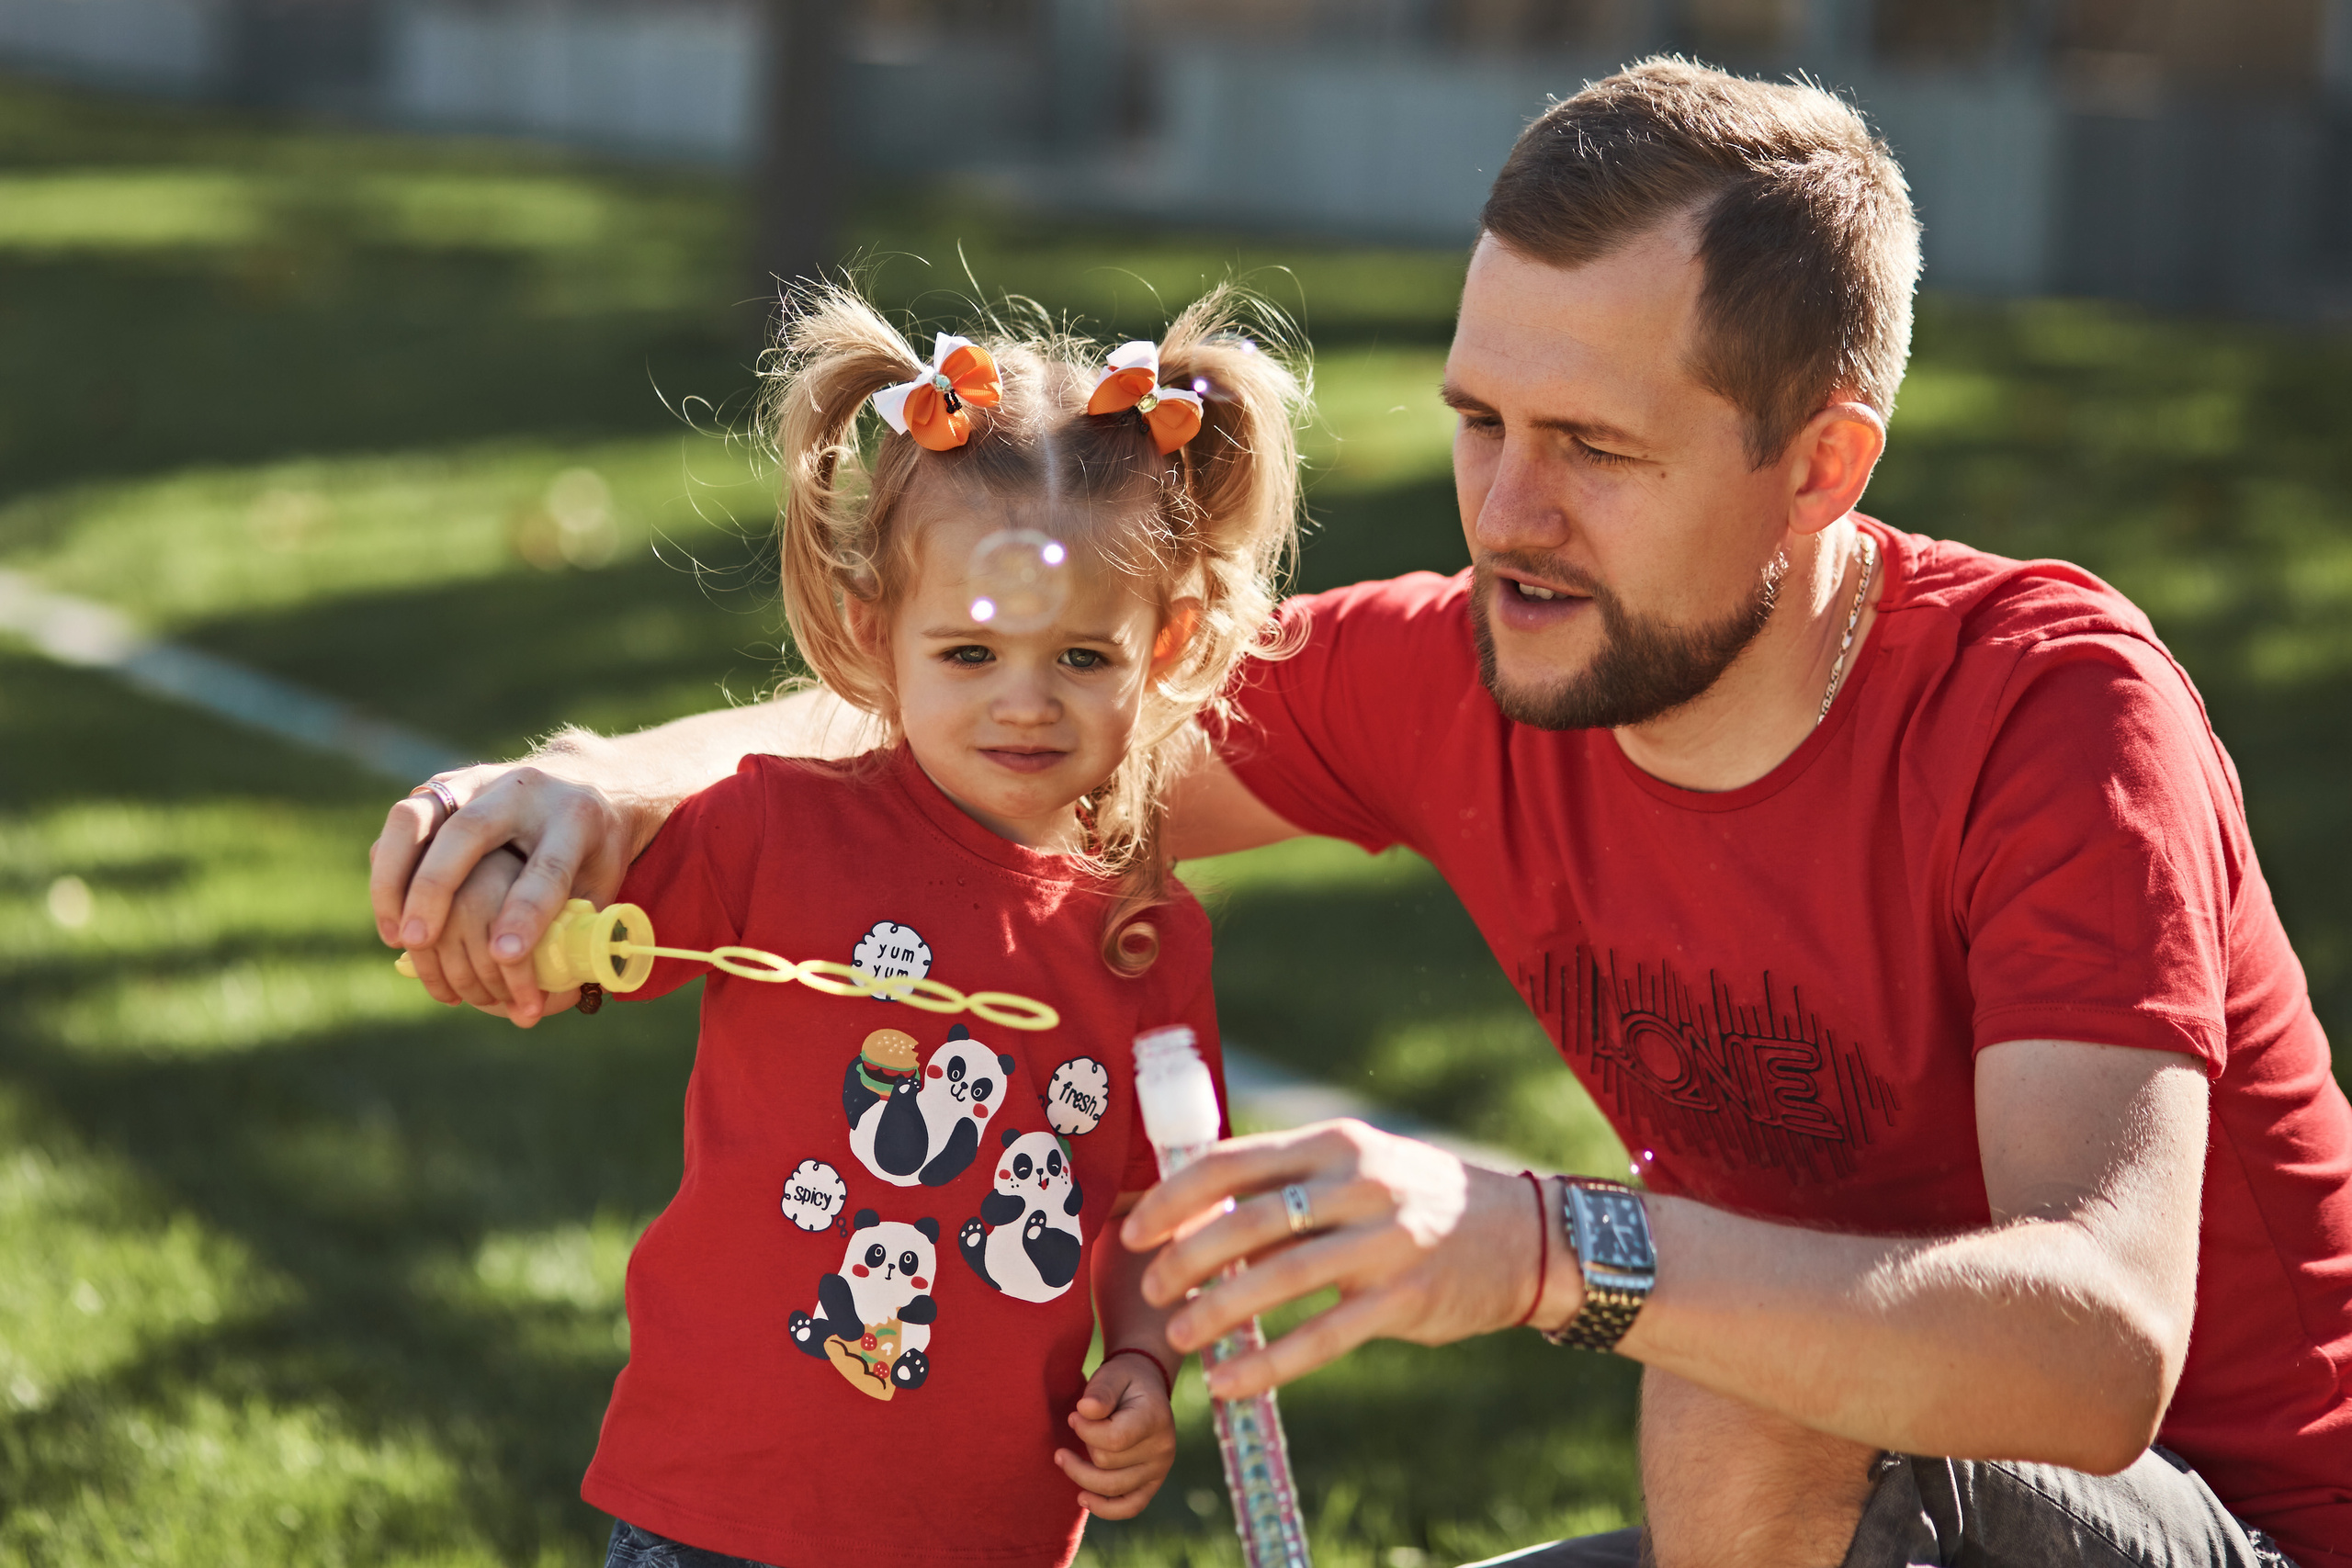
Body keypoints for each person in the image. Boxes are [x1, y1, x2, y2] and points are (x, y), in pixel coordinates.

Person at [369, 62, 2352, 1568]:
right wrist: (592, 782)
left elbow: (2098, 1356)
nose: (1504, 513)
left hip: (2221, 1527)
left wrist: (1530, 1241)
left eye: (1590, 448)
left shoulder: (2049, 710)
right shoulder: (1492, 654)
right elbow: (1014, 722)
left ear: (1817, 465)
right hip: (1825, 1497)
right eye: (1478, 421)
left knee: (1720, 1365)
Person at [469, 283, 1306, 1568]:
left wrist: (1142, 1357)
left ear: (1169, 645)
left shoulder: (1150, 936)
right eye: (970, 656)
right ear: (875, 636)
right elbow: (576, 941)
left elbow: (1153, 1201)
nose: (1024, 703)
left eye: (1083, 657)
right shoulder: (768, 831)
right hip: (719, 1511)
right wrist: (497, 924)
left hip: (984, 1532)